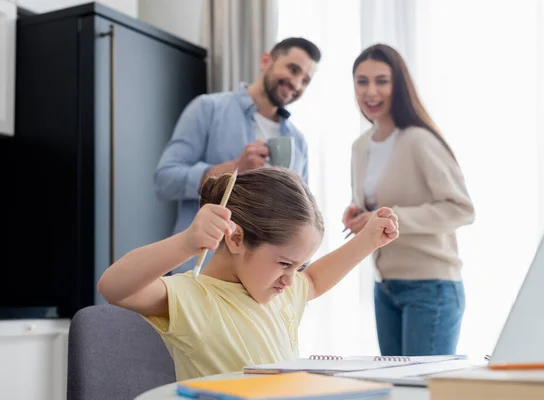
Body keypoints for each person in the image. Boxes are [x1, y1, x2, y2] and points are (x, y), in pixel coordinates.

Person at [97, 168, 399, 381]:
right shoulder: (196, 299)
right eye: (284, 264)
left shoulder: (278, 292)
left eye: (299, 267)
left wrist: (368, 240)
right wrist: (186, 242)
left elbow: (316, 280)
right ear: (236, 239)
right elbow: (114, 288)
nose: (291, 280)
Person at [342, 44, 475, 357]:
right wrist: (358, 215)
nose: (371, 91)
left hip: (431, 286)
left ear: (398, 84)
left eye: (381, 81)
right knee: (396, 388)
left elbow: (461, 209)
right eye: (362, 81)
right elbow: (377, 207)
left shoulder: (419, 139)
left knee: (422, 389)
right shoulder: (360, 146)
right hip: (385, 286)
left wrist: (391, 218)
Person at [154, 37, 321, 274]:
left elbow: (302, 215)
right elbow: (165, 181)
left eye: (305, 80)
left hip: (264, 282)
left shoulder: (299, 142)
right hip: (201, 271)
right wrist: (234, 168)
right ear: (266, 60)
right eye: (293, 69)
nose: (296, 83)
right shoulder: (207, 109)